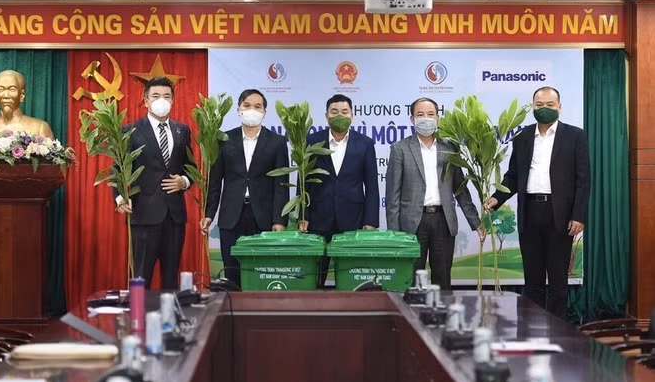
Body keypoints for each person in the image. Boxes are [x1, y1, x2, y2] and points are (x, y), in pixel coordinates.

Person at [486, 86, 590, 318]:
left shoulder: (575, 136)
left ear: (559, 107)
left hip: (560, 214)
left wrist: (579, 215)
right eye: (539, 105)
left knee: (558, 280)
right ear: (533, 107)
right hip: (530, 211)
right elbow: (513, 176)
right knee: (532, 279)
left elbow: (583, 180)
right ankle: (531, 327)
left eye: (550, 105)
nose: (544, 109)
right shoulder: (522, 136)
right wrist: (496, 198)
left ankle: (556, 328)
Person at [386, 97, 483, 290]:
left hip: (443, 221)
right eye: (420, 114)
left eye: (430, 114)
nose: (426, 119)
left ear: (438, 118)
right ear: (412, 119)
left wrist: (476, 222)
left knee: (442, 279)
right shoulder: (400, 149)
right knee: (412, 281)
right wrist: (395, 233)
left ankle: (443, 310)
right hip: (412, 224)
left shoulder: (450, 148)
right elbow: (392, 196)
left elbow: (460, 189)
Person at [200, 89, 289, 287]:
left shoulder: (277, 142)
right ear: (238, 109)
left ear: (264, 112)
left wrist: (279, 220)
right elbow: (215, 181)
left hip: (263, 217)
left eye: (257, 106)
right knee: (232, 273)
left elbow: (281, 184)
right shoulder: (223, 139)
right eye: (247, 105)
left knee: (262, 274)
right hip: (232, 216)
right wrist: (209, 214)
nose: (252, 110)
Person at [115, 76, 193, 289]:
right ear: (146, 101)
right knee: (141, 277)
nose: (162, 100)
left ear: (173, 100)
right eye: (156, 96)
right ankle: (138, 312)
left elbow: (190, 167)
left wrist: (185, 181)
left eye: (166, 96)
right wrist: (120, 197)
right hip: (143, 214)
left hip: (175, 216)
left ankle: (170, 311)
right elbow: (118, 169)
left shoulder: (182, 130)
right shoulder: (130, 131)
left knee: (171, 278)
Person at [300, 94, 379, 287]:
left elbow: (372, 186)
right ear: (326, 115)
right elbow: (304, 181)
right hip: (318, 218)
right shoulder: (312, 141)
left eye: (344, 111)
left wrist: (370, 221)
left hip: (353, 219)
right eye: (334, 112)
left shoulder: (365, 143)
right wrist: (303, 215)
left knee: (351, 278)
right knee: (315, 278)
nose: (339, 115)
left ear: (352, 115)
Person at [0, 70, 54, 138]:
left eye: (12, 89)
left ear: (22, 95)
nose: (6, 95)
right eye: (1, 89)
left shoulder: (39, 128)